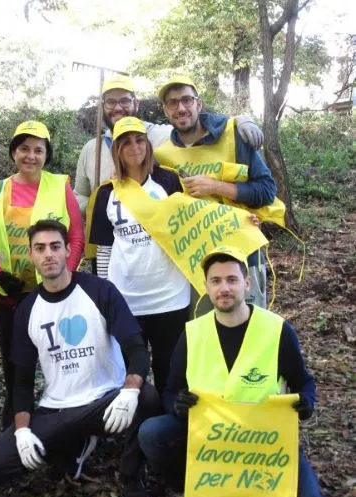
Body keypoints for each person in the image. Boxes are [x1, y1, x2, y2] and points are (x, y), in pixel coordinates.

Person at [0, 219, 160, 497]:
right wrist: (22, 431)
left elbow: (138, 350)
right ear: (31, 256)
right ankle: (74, 445)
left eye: (55, 246)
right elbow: (23, 382)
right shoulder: (26, 309)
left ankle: (131, 477)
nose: (48, 254)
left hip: (104, 401)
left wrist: (129, 391)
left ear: (67, 250)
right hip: (58, 409)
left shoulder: (101, 291)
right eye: (40, 248)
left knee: (148, 397)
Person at [138, 245, 323, 497]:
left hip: (264, 441)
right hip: (211, 440)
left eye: (232, 280)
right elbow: (171, 390)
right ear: (206, 287)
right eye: (216, 281)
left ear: (247, 284)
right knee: (151, 433)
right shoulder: (192, 333)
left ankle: (248, 490)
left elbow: (304, 382)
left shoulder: (277, 330)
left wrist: (306, 402)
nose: (224, 288)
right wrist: (177, 405)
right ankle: (191, 481)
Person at [0, 121, 84, 429]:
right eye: (24, 148)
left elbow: (76, 237)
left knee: (59, 359)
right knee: (16, 364)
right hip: (10, 295)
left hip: (50, 292)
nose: (31, 156)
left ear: (46, 154)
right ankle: (13, 423)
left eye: (38, 150)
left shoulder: (59, 185)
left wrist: (63, 277)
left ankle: (61, 421)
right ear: (14, 152)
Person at [155, 76, 277, 310]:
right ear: (165, 110)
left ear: (199, 104)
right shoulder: (163, 156)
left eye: (187, 100)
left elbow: (267, 190)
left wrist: (216, 186)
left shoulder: (233, 137)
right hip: (195, 264)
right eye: (172, 103)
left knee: (248, 332)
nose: (180, 108)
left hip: (243, 257)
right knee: (206, 335)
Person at [89, 116, 189, 396]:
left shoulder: (168, 181)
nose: (134, 147)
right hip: (126, 298)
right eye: (126, 142)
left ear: (148, 144)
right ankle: (134, 431)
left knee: (170, 370)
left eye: (140, 139)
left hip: (171, 296)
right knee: (129, 371)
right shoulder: (106, 193)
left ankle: (168, 428)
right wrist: (105, 298)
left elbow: (191, 227)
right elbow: (105, 249)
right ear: (117, 150)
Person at [74, 74, 263, 215]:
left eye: (124, 100)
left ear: (136, 104)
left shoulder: (162, 136)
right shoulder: (92, 149)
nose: (117, 107)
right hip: (107, 242)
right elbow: (79, 195)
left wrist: (239, 120)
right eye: (111, 102)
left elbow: (193, 122)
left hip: (158, 241)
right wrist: (100, 206)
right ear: (103, 107)